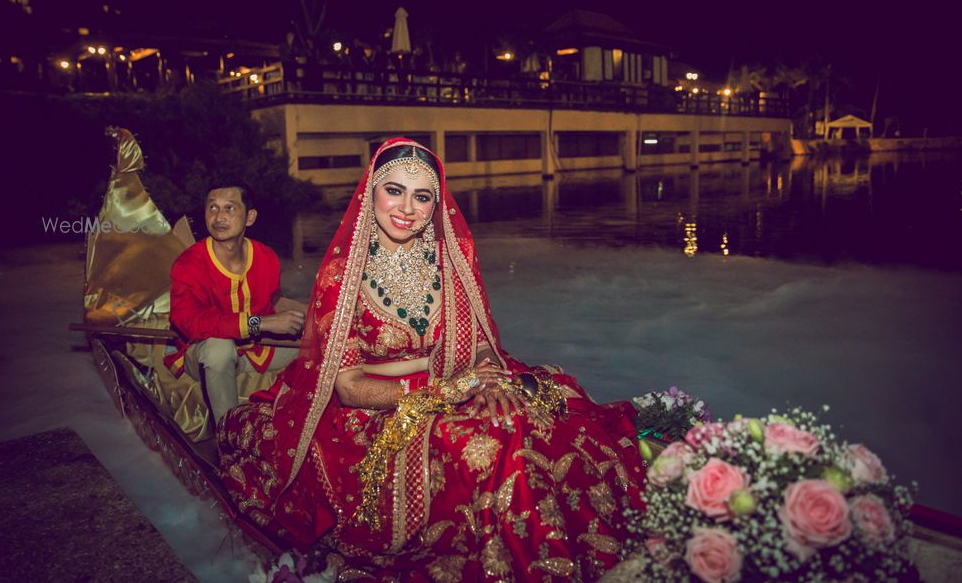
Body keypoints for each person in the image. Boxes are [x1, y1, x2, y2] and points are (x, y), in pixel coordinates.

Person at [219, 141, 646, 582]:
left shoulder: (450, 258)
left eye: (422, 196)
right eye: (395, 191)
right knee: (482, 447)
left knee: (539, 412)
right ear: (371, 193)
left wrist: (492, 376)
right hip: (380, 409)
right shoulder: (341, 276)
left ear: (435, 203)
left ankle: (582, 545)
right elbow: (347, 386)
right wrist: (442, 393)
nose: (407, 207)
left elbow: (480, 338)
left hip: (461, 379)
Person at [169, 186, 305, 424]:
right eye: (212, 208)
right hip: (202, 352)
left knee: (321, 344)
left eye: (229, 208)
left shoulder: (266, 257)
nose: (219, 217)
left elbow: (271, 303)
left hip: (257, 349)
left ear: (250, 217)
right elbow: (191, 323)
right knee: (218, 349)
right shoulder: (188, 263)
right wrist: (259, 323)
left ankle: (299, 426)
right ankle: (228, 434)